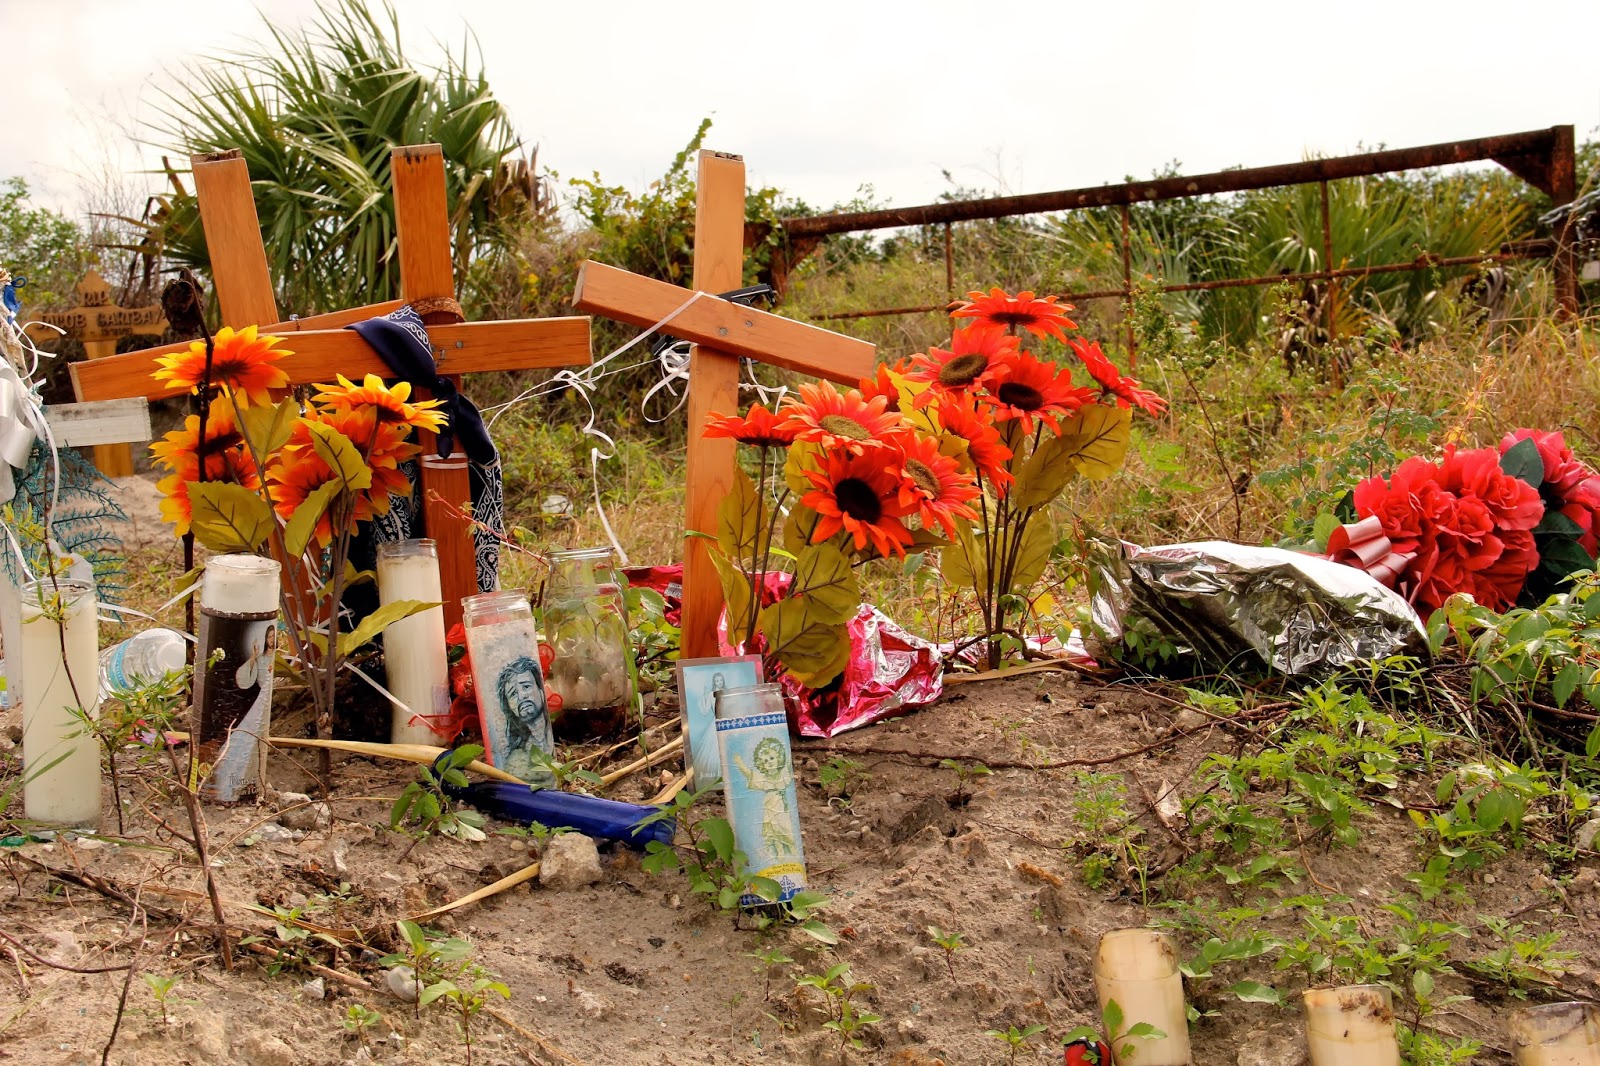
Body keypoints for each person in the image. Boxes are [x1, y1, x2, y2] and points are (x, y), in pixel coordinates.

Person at [732, 737, 796, 857]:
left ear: (778, 759)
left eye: (772, 758)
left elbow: (788, 765)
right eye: (766, 761)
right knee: (771, 831)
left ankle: (792, 852)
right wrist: (740, 763)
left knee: (785, 829)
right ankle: (780, 855)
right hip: (769, 808)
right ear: (762, 765)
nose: (770, 762)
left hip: (781, 809)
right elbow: (749, 774)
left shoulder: (783, 775)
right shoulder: (764, 780)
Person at [495, 656, 552, 780]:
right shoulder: (516, 761)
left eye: (526, 687)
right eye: (513, 693)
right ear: (510, 707)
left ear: (541, 690)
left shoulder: (552, 742)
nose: (521, 697)